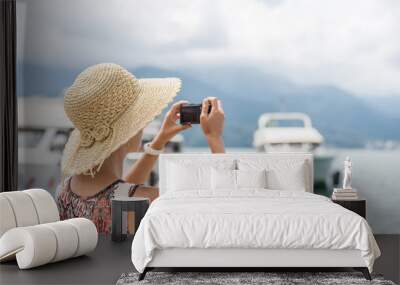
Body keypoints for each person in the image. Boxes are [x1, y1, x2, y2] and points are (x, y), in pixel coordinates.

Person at [57, 63, 225, 233]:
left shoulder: (64, 191)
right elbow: (220, 209)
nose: (144, 124)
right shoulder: (150, 203)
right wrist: (214, 138)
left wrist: (160, 140)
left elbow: (119, 191)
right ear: (129, 130)